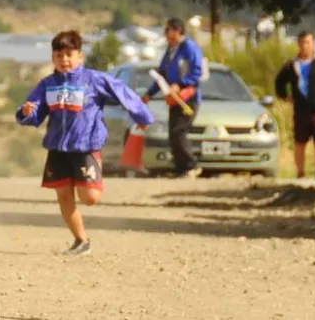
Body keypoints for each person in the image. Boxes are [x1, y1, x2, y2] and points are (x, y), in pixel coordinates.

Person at [17, 30, 153, 256]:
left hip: (85, 146)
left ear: (80, 56)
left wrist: (143, 116)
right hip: (57, 147)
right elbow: (33, 112)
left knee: (90, 198)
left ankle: (95, 169)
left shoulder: (94, 80)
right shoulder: (47, 84)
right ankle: (81, 240)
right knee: (63, 194)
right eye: (59, 55)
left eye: (69, 54)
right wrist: (26, 112)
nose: (64, 60)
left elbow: (123, 93)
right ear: (53, 58)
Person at [141, 17, 205, 178]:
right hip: (173, 97)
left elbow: (197, 71)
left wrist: (181, 84)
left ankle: (192, 164)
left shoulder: (189, 47)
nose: (166, 34)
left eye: (169, 30)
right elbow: (162, 74)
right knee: (173, 132)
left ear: (178, 31)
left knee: (179, 130)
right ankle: (181, 167)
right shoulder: (170, 50)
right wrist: (150, 93)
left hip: (187, 97)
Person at [275, 32, 315, 179]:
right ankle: (300, 173)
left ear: (314, 43)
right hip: (302, 110)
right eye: (302, 42)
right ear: (298, 44)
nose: (305, 46)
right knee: (300, 142)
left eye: (308, 42)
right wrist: (285, 95)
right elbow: (279, 82)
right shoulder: (292, 65)